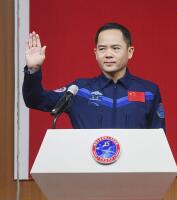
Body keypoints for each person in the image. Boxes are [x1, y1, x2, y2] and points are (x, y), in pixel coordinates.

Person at [22, 22, 165, 129]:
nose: (108, 54)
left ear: (130, 52)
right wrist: (33, 69)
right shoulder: (79, 90)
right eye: (102, 49)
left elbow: (159, 141)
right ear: (95, 53)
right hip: (88, 168)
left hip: (134, 168)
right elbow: (35, 100)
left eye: (115, 48)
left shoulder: (149, 92)